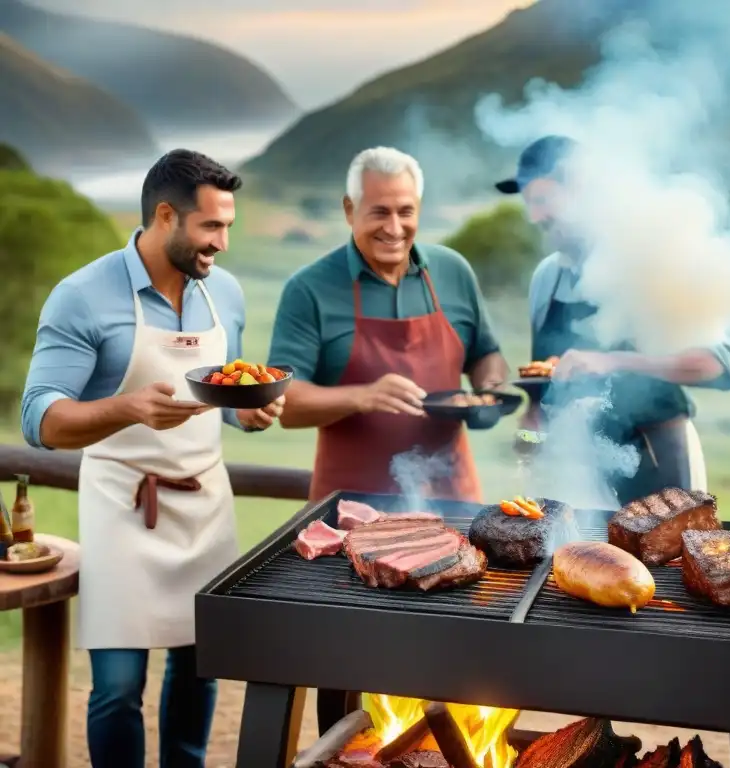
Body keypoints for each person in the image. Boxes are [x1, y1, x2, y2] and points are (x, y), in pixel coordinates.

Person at [19, 149, 284, 768]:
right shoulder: (82, 296)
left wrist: (244, 412)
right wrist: (126, 408)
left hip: (205, 505)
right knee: (116, 690)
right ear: (165, 215)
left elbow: (219, 393)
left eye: (229, 227)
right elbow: (39, 419)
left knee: (199, 672)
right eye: (211, 227)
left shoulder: (227, 294)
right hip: (122, 507)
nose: (222, 243)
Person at [267, 146, 508, 734]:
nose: (394, 227)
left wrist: (489, 392)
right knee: (345, 665)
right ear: (350, 209)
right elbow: (285, 404)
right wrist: (361, 395)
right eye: (378, 212)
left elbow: (487, 356)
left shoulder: (453, 272)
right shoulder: (310, 289)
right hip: (349, 516)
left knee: (457, 664)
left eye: (405, 211)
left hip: (452, 504)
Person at [496, 135, 730, 502]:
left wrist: (609, 361)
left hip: (658, 461)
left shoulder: (652, 253)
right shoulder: (547, 277)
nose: (534, 216)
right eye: (528, 202)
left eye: (542, 200)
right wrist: (532, 427)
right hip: (574, 470)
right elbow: (543, 381)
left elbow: (719, 366)